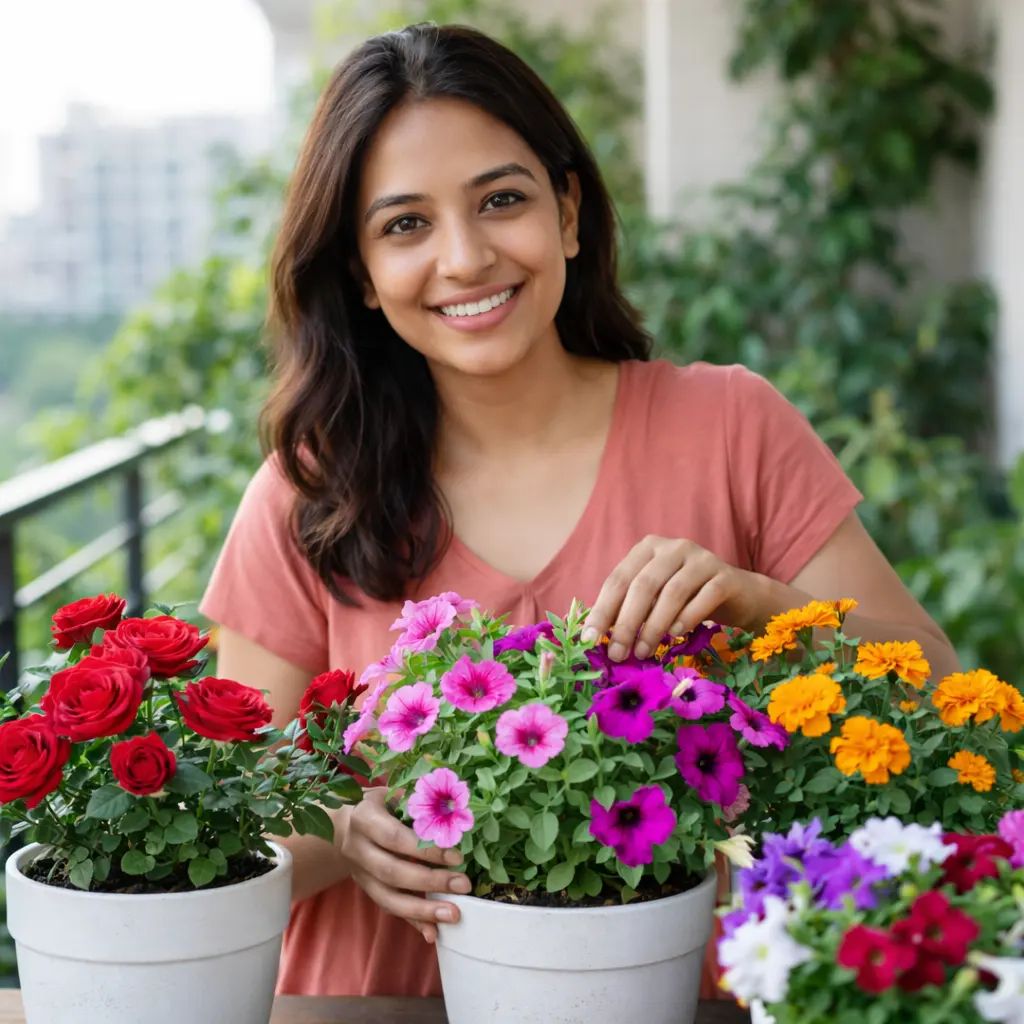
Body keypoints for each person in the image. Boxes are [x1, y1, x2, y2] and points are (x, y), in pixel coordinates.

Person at [200, 21, 960, 1001]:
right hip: (374, 1003)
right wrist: (344, 828)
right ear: (359, 274)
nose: (466, 257)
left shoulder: (730, 426)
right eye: (405, 225)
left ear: (566, 213)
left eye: (501, 201)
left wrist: (759, 608)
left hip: (672, 997)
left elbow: (937, 685)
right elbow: (231, 820)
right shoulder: (310, 489)